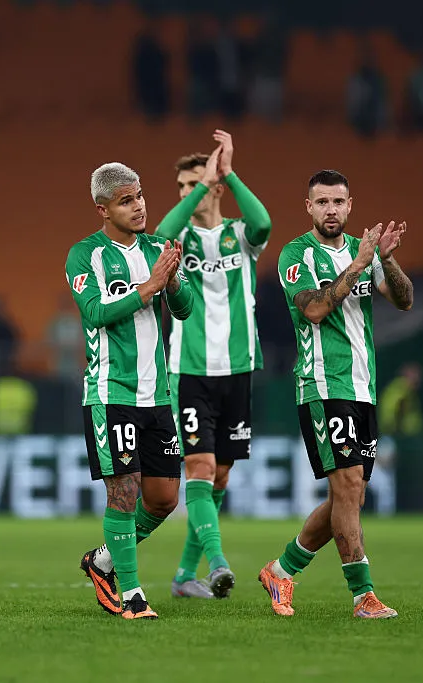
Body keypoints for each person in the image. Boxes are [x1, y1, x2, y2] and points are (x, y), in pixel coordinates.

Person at [258, 170, 414, 619]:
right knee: (346, 488)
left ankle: (281, 571)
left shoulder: (362, 253)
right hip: (324, 385)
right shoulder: (297, 254)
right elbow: (313, 309)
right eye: (322, 202)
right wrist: (360, 264)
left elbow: (402, 299)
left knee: (348, 496)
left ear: (350, 206)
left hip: (363, 386)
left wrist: (387, 258)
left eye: (338, 202)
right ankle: (363, 595)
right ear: (308, 207)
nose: (331, 209)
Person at [68, 162, 194, 620]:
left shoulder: (159, 248)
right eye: (126, 200)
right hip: (110, 392)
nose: (138, 206)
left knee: (163, 499)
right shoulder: (85, 255)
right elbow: (95, 312)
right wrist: (150, 286)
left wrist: (173, 279)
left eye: (139, 195)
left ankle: (102, 561)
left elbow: (184, 309)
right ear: (103, 208)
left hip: (155, 396)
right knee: (123, 492)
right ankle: (134, 595)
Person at [153, 129, 272, 600]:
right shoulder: (177, 241)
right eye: (182, 186)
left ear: (218, 187)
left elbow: (263, 221)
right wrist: (204, 183)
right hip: (190, 370)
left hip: (238, 369)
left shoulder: (240, 236)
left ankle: (185, 575)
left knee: (219, 476)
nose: (187, 193)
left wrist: (228, 173)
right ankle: (219, 563)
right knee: (199, 468)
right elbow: (158, 234)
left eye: (195, 184)